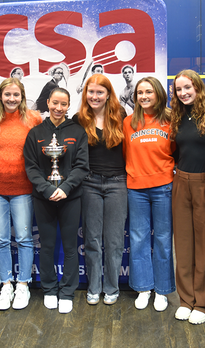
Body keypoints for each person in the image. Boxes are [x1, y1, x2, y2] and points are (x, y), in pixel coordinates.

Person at [23, 87, 89, 314]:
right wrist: (46, 189)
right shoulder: (35, 133)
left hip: (71, 198)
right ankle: (49, 289)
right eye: (55, 103)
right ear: (48, 102)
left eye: (64, 104)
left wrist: (66, 188)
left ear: (69, 105)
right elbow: (31, 167)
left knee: (71, 246)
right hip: (43, 198)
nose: (59, 108)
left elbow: (82, 166)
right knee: (48, 246)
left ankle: (67, 291)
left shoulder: (78, 132)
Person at [169, 70, 205, 324]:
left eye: (187, 87)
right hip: (181, 182)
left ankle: (203, 303)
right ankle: (186, 299)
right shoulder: (176, 116)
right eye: (179, 89)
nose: (183, 93)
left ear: (198, 87)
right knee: (183, 243)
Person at [0, 78, 42, 311]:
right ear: (0, 96)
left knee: (24, 238)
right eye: (7, 95)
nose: (11, 99)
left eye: (16, 95)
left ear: (22, 96)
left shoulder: (33, 118)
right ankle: (6, 283)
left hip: (24, 188)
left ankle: (23, 284)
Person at [72, 74, 127, 306]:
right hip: (90, 183)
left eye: (99, 92)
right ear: (86, 94)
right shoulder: (78, 119)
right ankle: (94, 286)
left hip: (118, 183)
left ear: (108, 94)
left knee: (114, 240)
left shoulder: (121, 116)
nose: (94, 96)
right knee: (92, 239)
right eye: (90, 92)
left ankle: (112, 287)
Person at [123, 76, 175, 312]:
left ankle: (162, 291)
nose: (144, 96)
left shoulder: (171, 120)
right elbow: (126, 153)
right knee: (138, 238)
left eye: (149, 92)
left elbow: (177, 150)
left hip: (163, 185)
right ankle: (144, 287)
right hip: (136, 188)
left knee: (163, 239)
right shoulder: (128, 122)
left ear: (159, 94)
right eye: (140, 92)